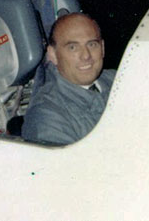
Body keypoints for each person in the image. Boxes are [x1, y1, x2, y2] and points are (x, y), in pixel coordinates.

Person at [22, 12, 116, 145]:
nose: (86, 56)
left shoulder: (119, 80)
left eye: (92, 44)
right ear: (53, 55)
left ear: (103, 48)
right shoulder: (47, 115)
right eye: (73, 47)